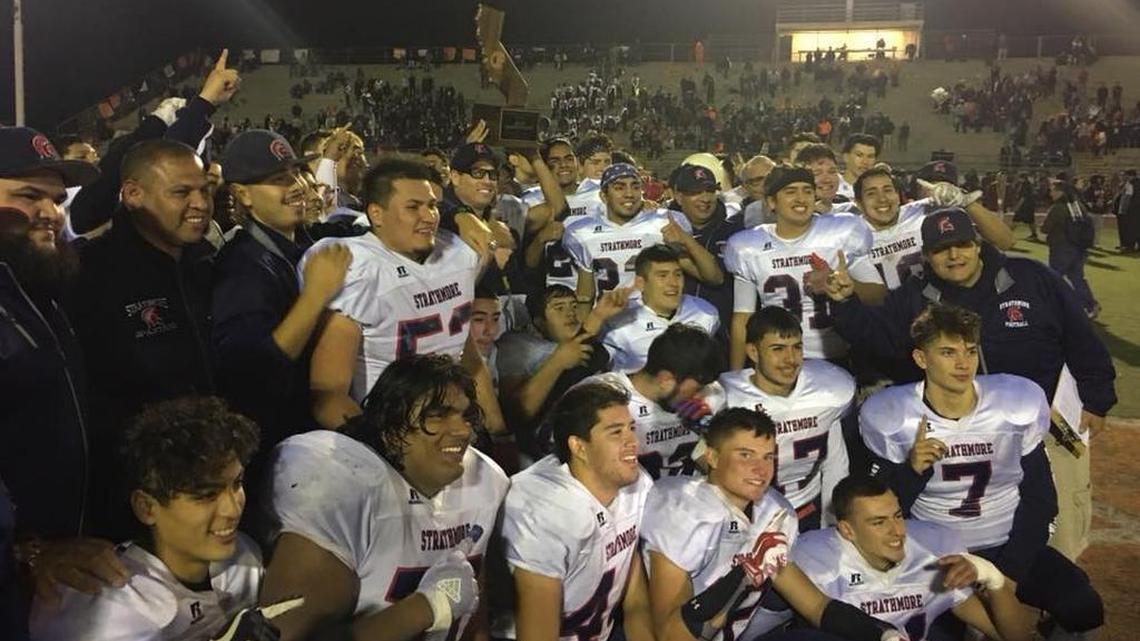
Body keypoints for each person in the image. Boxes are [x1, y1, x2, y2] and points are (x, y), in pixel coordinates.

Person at [823, 207, 1116, 562]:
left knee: (1061, 514)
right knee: (981, 520)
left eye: (962, 244)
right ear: (928, 257)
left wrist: (1096, 398)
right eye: (941, 249)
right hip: (963, 432)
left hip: (1047, 421)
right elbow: (876, 335)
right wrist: (843, 303)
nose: (954, 255)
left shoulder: (1031, 277)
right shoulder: (915, 297)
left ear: (977, 244)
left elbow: (1080, 337)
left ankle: (1048, 593)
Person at [859, 303, 1103, 637]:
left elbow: (1040, 498)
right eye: (947, 352)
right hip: (933, 553)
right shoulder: (893, 416)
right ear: (921, 359)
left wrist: (1007, 574)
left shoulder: (1014, 403)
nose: (963, 363)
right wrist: (912, 470)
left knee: (1082, 605)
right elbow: (873, 513)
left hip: (1007, 542)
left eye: (970, 351)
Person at [260, 355, 509, 641]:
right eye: (437, 415)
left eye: (466, 416)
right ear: (392, 431)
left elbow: (474, 617)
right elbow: (292, 638)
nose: (462, 430)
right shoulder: (344, 486)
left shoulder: (484, 481)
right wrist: (424, 608)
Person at [0, 126, 133, 614]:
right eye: (27, 195)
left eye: (56, 200)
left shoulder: (36, 288)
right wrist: (24, 554)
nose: (50, 214)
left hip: (50, 569)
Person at [69, 139, 217, 539]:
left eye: (205, 189)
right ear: (134, 195)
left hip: (210, 478)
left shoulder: (204, 262)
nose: (201, 203)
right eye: (182, 192)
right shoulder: (89, 275)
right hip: (134, 497)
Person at [29, 396, 273, 641]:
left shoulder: (244, 559)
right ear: (147, 507)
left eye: (237, 484)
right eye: (207, 495)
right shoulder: (105, 605)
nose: (232, 509)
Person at [303, 157, 489, 429]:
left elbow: (465, 353)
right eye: (413, 207)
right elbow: (329, 398)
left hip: (452, 418)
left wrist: (498, 430)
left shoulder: (458, 253)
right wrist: (385, 451)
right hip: (388, 426)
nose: (429, 216)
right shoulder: (357, 267)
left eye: (433, 205)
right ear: (376, 214)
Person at [211, 129, 353, 460]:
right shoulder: (241, 266)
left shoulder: (304, 240)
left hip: (317, 436)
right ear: (243, 194)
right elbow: (251, 372)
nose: (297, 186)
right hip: (279, 448)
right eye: (278, 179)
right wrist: (314, 297)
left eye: (295, 173)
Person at [497, 382, 655, 641]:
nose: (633, 442)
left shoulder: (636, 483)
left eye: (632, 429)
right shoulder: (546, 508)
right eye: (616, 433)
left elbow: (635, 598)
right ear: (579, 447)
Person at [791, 476, 1036, 641]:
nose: (897, 530)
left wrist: (992, 578)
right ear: (847, 530)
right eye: (879, 522)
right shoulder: (814, 560)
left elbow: (1014, 636)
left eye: (897, 516)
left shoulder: (933, 552)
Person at [724, 164, 886, 368]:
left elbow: (878, 294)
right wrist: (736, 375)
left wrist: (847, 287)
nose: (801, 198)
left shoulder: (842, 231)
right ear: (771, 202)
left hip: (840, 356)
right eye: (791, 192)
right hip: (779, 360)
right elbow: (742, 318)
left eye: (807, 191)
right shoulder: (748, 247)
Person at [711, 307, 853, 530]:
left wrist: (830, 525)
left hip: (807, 509)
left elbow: (835, 464)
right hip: (744, 513)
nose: (790, 359)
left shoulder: (825, 391)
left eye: (796, 348)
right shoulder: (725, 396)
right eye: (778, 349)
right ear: (753, 352)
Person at [563, 163, 722, 319]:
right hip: (608, 327)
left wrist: (686, 239)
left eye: (635, 186)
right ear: (604, 196)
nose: (629, 194)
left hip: (658, 323)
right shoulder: (582, 232)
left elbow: (714, 278)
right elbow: (585, 297)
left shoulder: (663, 222)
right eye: (619, 188)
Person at [497, 285, 626, 459]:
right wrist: (557, 362)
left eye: (574, 306)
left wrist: (597, 315)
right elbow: (518, 414)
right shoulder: (519, 347)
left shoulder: (591, 348)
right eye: (559, 308)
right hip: (542, 453)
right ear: (538, 321)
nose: (570, 313)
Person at [582, 324, 723, 479]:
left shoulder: (712, 395)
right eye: (696, 389)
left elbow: (717, 469)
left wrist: (712, 437)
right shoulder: (599, 399)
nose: (699, 397)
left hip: (687, 497)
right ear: (665, 380)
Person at [855, 164, 1014, 290]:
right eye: (871, 193)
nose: (882, 198)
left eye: (888, 190)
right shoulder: (850, 233)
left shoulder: (944, 216)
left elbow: (1006, 241)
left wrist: (966, 201)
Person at [602, 244, 720, 372]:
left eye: (678, 275)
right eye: (662, 276)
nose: (673, 283)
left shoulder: (704, 313)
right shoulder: (618, 322)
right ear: (641, 283)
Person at [666, 164, 745, 335]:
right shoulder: (658, 230)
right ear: (679, 197)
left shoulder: (735, 231)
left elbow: (716, 278)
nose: (705, 198)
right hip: (670, 334)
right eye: (695, 192)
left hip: (722, 335)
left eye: (710, 190)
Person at [1042, 180, 1100, 318]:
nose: (1050, 193)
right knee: (1077, 278)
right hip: (1079, 248)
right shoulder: (1078, 206)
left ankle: (1051, 309)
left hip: (1061, 248)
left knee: (1053, 279)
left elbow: (1045, 228)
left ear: (1060, 192)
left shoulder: (1057, 208)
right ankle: (1091, 304)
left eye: (1053, 190)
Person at [793, 144, 856, 214]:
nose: (827, 180)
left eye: (832, 172)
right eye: (817, 173)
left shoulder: (850, 210)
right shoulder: (791, 216)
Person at [838, 134, 880, 200]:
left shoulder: (880, 192)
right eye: (859, 155)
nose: (865, 162)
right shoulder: (829, 187)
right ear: (846, 157)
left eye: (870, 156)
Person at [1012, 173, 1038, 241]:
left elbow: (1023, 197)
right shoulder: (1029, 184)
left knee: (1015, 220)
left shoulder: (1025, 185)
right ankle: (1034, 234)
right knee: (1031, 221)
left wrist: (1017, 206)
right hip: (1030, 205)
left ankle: (1008, 234)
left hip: (1024, 206)